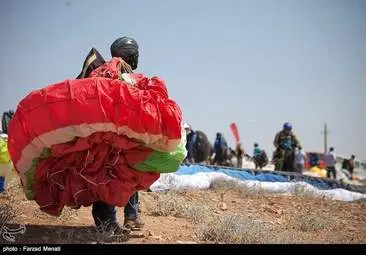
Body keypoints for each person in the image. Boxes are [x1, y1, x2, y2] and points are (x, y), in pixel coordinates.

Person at [78, 36, 144, 234]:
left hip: (119, 136)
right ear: (129, 55)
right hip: (107, 137)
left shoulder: (121, 73)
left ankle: (130, 217)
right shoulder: (111, 72)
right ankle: (107, 223)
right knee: (108, 176)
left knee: (129, 172)